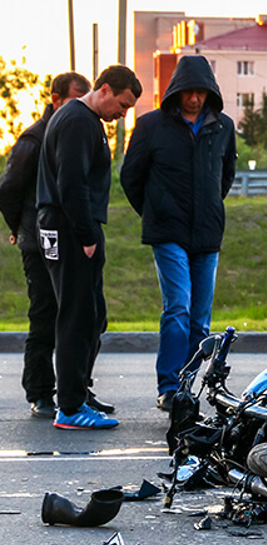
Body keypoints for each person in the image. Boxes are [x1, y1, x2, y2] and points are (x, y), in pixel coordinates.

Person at [121, 55, 236, 412]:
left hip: (207, 234)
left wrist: (209, 209)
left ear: (210, 93)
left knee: (201, 319)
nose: (195, 98)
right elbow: (131, 177)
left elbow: (225, 176)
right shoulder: (151, 125)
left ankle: (186, 387)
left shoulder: (224, 126)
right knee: (179, 308)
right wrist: (155, 211)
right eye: (189, 91)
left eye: (202, 92)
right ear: (177, 91)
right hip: (167, 232)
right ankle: (168, 387)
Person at [36, 65, 141, 430]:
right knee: (77, 318)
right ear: (106, 89)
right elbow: (72, 184)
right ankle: (70, 406)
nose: (122, 114)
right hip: (70, 229)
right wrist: (87, 237)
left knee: (92, 315)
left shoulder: (84, 121)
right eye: (123, 105)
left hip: (70, 226)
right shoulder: (78, 121)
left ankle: (78, 394)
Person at [0, 72, 91, 419]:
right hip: (37, 244)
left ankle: (77, 389)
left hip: (67, 241)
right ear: (55, 100)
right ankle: (40, 393)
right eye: (73, 102)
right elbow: (8, 190)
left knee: (86, 317)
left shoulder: (73, 133)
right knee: (44, 316)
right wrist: (19, 227)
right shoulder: (33, 140)